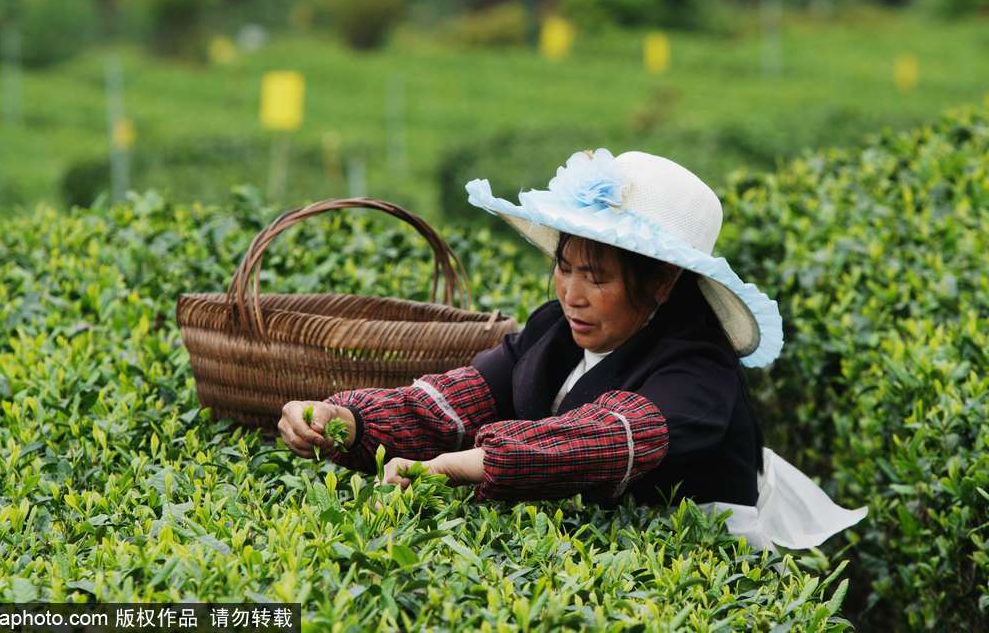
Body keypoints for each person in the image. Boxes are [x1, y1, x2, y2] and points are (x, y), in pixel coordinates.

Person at [277, 148, 867, 551]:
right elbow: (459, 400)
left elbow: (606, 437)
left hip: (692, 561)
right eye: (564, 267)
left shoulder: (698, 366)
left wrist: (461, 468)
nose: (572, 295)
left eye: (598, 279)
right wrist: (349, 421)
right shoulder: (555, 330)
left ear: (662, 282)